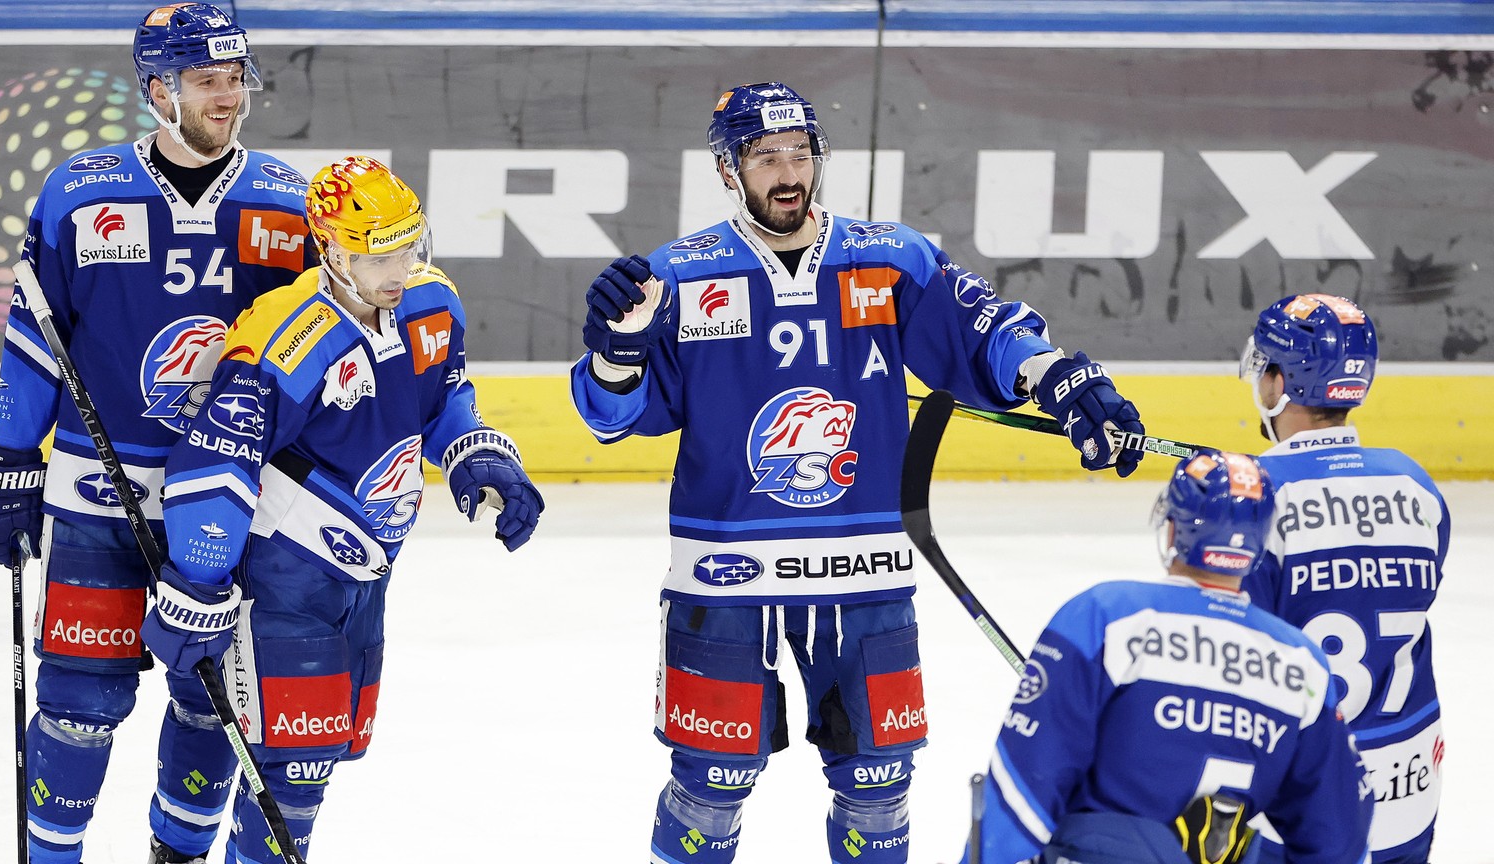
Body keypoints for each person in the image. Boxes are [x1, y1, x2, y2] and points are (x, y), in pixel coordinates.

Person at [570, 81, 1147, 864]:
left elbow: (985, 331)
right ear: (726, 169)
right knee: (709, 784)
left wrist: (1057, 376)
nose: (787, 173)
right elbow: (611, 418)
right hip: (723, 583)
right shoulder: (677, 276)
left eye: (800, 153)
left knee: (878, 791)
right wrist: (617, 352)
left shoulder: (889, 259)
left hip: (864, 578)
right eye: (765, 156)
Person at [0, 5, 312, 862]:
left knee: (208, 701)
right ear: (157, 89)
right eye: (207, 81)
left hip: (230, 507)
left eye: (237, 78)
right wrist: (12, 460)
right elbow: (33, 342)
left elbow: (317, 361)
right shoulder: (80, 192)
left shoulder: (290, 202)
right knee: (78, 704)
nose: (229, 96)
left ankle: (178, 854)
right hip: (94, 497)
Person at [145, 155, 543, 863]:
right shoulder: (287, 335)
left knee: (306, 753)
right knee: (290, 770)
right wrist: (199, 581)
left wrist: (475, 450)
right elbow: (219, 459)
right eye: (376, 252)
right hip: (281, 581)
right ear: (329, 247)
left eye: (408, 247)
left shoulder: (431, 303)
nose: (399, 268)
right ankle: (175, 850)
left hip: (367, 581)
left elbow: (444, 395)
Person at [968, 451, 1373, 864]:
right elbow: (1339, 838)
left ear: (1173, 529)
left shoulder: (1106, 615)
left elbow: (1022, 791)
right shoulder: (1303, 662)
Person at [1239, 294, 1449, 864]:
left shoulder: (1257, 497)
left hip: (1304, 800)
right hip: (1408, 785)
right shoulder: (1416, 485)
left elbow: (1234, 652)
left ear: (1280, 384)